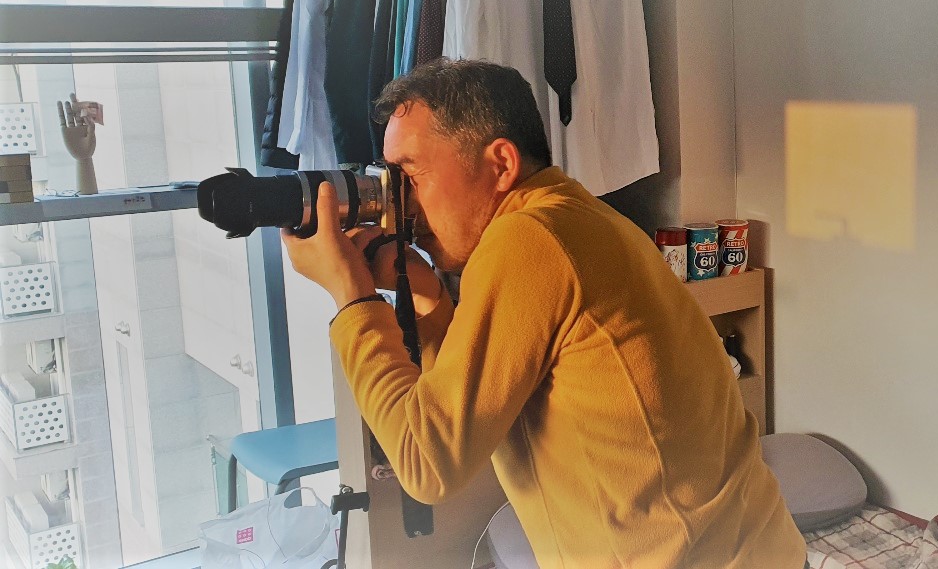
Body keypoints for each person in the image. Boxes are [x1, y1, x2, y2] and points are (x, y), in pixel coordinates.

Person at [282, 58, 805, 568]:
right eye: (388, 176)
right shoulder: (576, 215)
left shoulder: (527, 238)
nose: (399, 202)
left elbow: (426, 461)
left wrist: (351, 296)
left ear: (501, 164)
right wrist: (427, 297)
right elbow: (472, 404)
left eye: (410, 174)